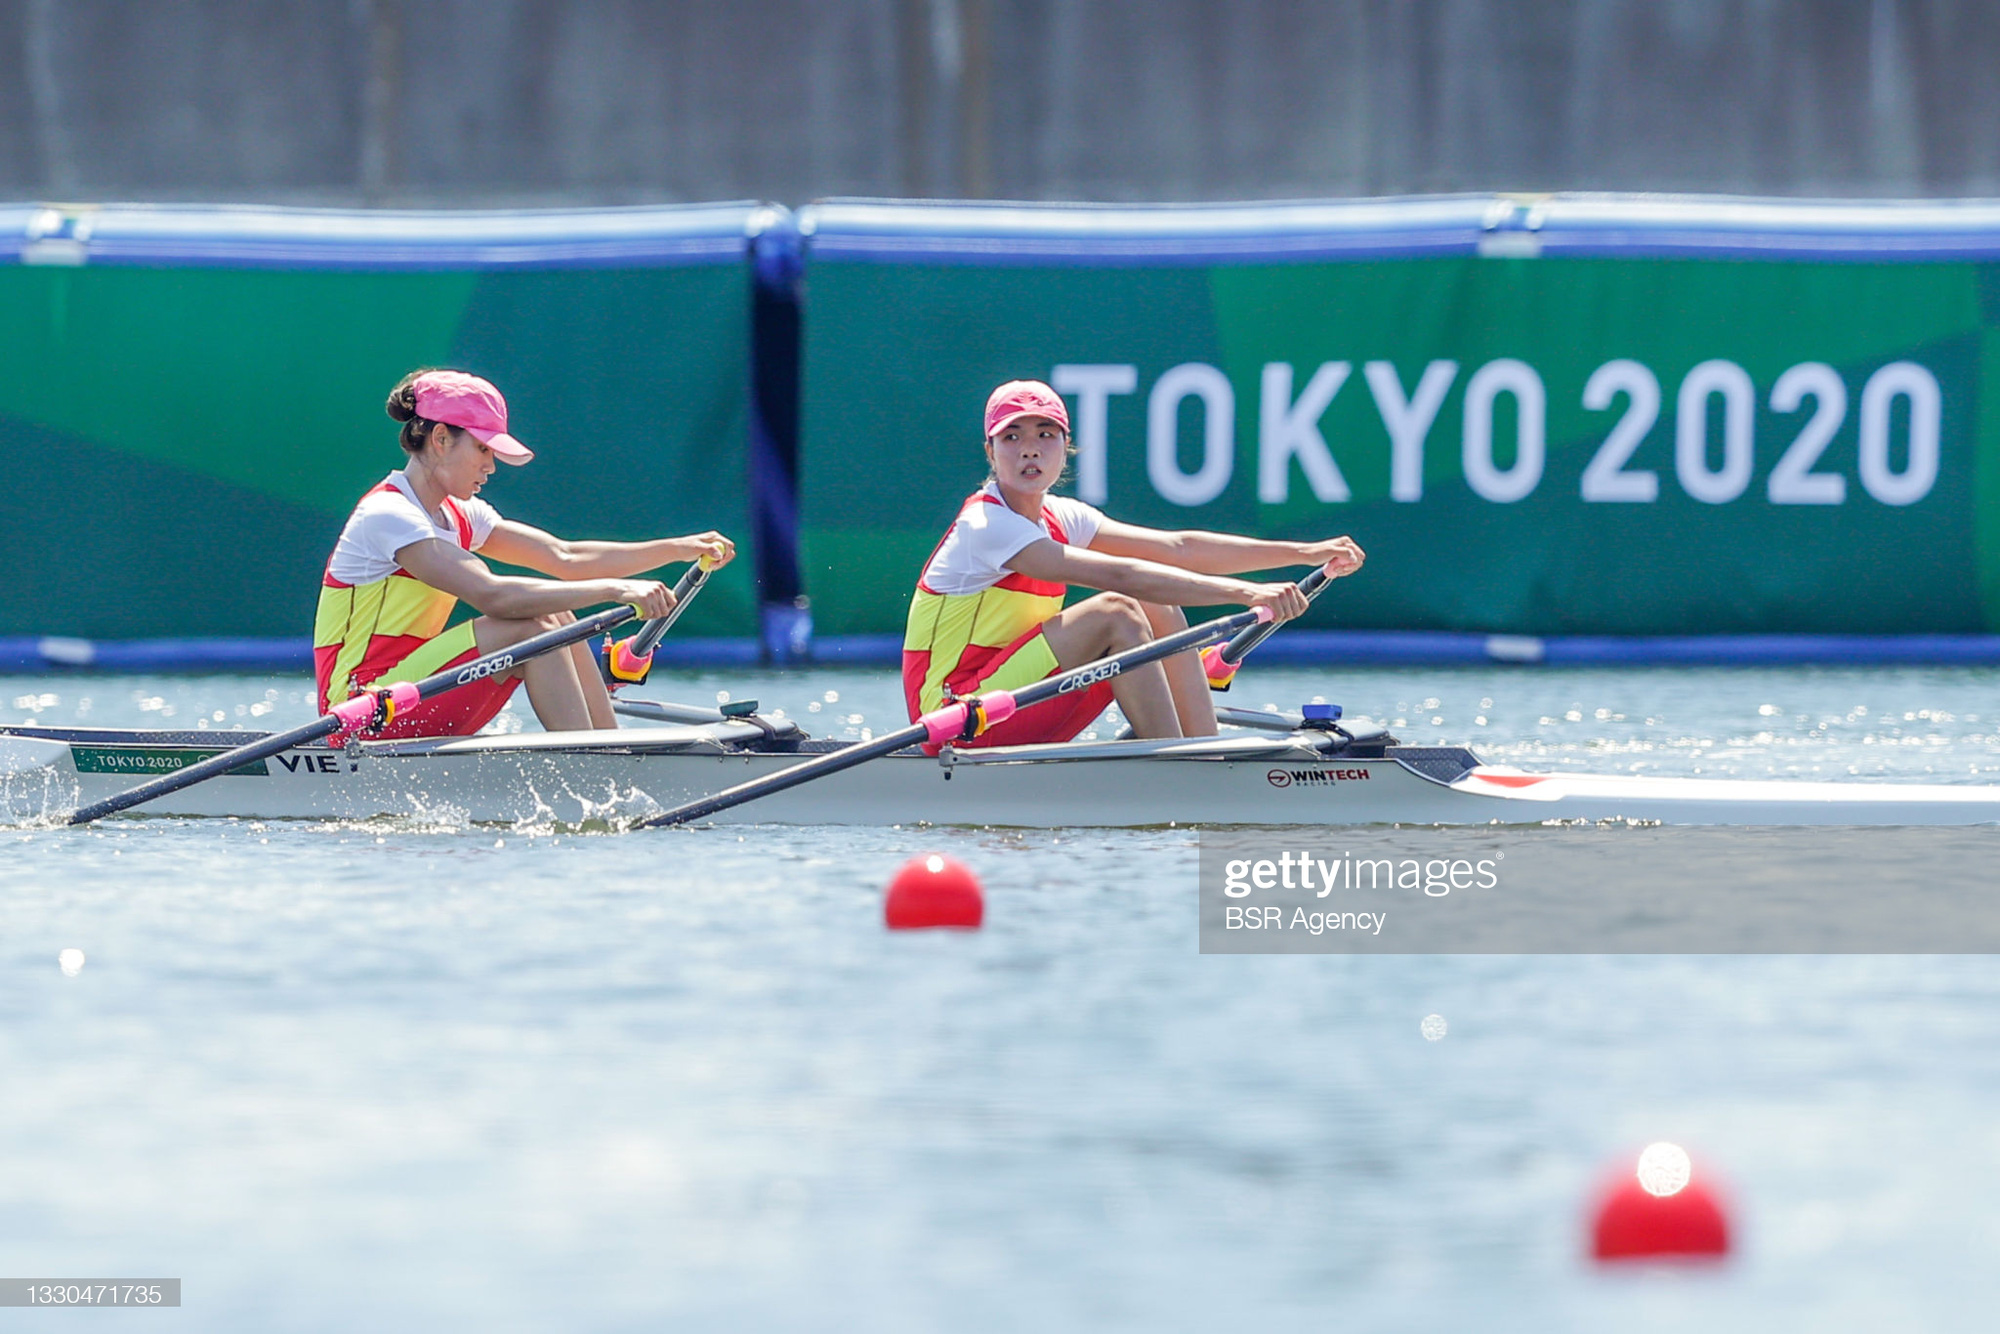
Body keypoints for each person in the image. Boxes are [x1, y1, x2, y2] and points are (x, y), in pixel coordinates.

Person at [903, 379, 1364, 750]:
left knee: (1153, 604)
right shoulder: (986, 524)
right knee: (1117, 610)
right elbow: (1117, 574)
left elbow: (1178, 547)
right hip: (954, 716)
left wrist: (1306, 552)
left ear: (1066, 447)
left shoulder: (1062, 515)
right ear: (991, 451)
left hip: (1013, 700)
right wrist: (1247, 593)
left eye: (1045, 435)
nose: (1030, 449)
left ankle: (1204, 752)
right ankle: (1176, 772)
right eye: (1013, 436)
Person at [314, 368, 734, 739]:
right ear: (441, 439)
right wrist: (617, 590)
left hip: (413, 695)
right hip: (361, 709)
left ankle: (608, 746)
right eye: (483, 449)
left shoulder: (460, 513)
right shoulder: (388, 514)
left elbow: (564, 556)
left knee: (557, 619)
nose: (491, 466)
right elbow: (494, 596)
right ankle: (592, 768)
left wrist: (677, 548)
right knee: (529, 630)